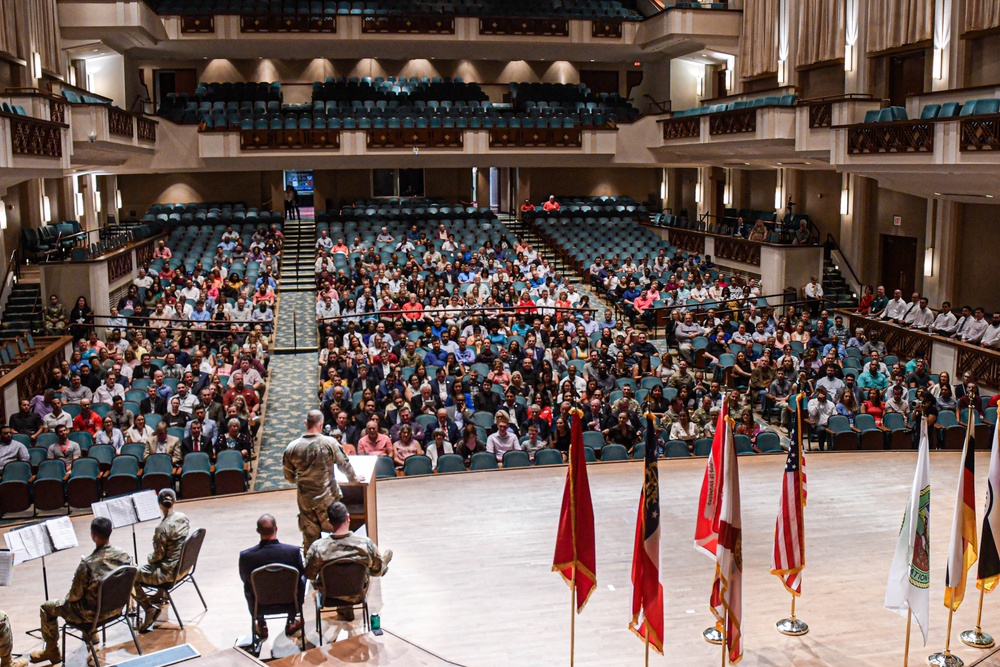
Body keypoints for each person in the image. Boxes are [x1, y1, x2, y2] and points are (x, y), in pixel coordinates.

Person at [30, 517, 133, 665]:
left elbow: (74, 596)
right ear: (110, 532)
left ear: (93, 536)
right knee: (92, 598)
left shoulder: (87, 564)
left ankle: (52, 651)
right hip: (116, 610)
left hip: (91, 617)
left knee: (47, 607)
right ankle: (93, 635)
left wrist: (66, 600)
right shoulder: (124, 556)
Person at [282, 409, 359, 552]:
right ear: (321, 424)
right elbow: (344, 464)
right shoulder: (329, 443)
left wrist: (300, 479)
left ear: (306, 424)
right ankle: (339, 565)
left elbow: (288, 477)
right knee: (337, 536)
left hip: (306, 501)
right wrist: (354, 479)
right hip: (328, 499)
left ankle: (313, 570)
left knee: (310, 541)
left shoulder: (292, 447)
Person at [304, 502, 392, 622]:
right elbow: (376, 572)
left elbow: (309, 574)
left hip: (329, 595)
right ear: (348, 518)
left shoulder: (317, 547)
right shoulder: (365, 544)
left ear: (329, 522)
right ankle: (383, 561)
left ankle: (344, 608)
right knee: (368, 568)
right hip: (358, 593)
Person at [238, 514, 305, 639]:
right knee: (301, 579)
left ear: (258, 531)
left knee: (249, 584)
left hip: (260, 604)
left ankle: (260, 622)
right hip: (290, 602)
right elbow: (301, 575)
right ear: (276, 528)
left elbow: (245, 578)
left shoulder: (246, 556)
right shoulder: (293, 553)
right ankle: (291, 620)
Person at [134, 489, 191, 632]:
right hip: (183, 567)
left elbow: (158, 556)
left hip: (168, 574)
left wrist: (149, 558)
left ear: (159, 504)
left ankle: (148, 609)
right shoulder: (183, 517)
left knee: (131, 576)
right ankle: (160, 595)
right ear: (175, 501)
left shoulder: (162, 528)